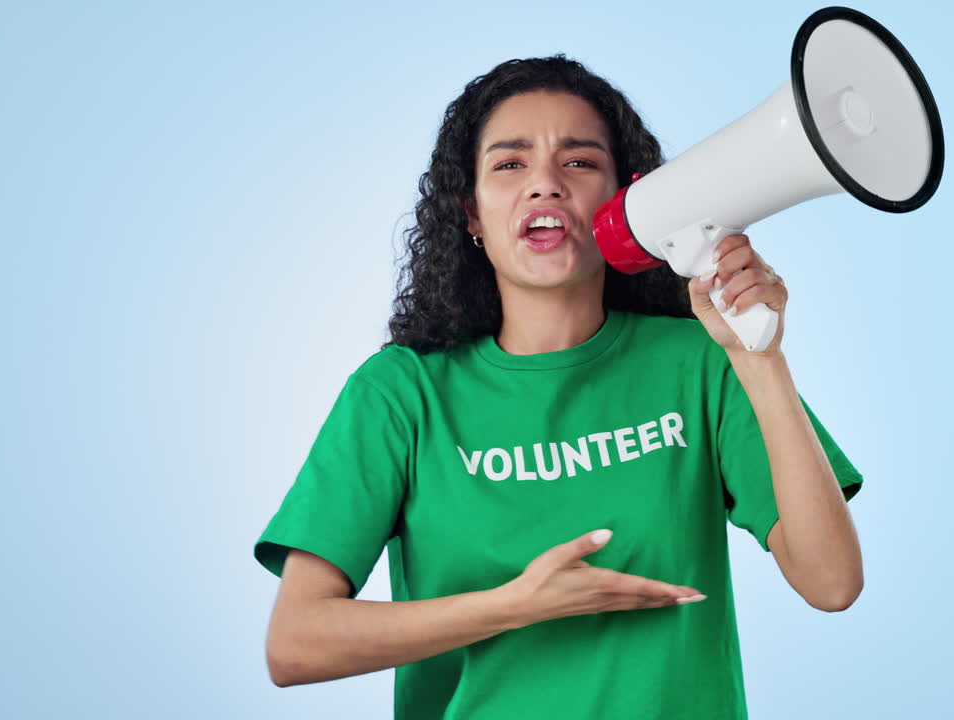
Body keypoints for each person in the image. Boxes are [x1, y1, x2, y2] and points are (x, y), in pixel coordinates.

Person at [253, 55, 864, 719]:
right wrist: (517, 605)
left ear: (622, 202)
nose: (545, 184)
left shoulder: (703, 362)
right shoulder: (400, 394)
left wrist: (760, 359)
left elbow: (831, 583)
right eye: (510, 164)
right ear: (472, 214)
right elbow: (296, 645)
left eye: (578, 162)